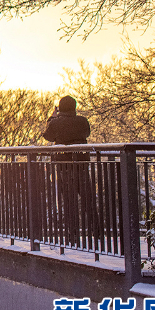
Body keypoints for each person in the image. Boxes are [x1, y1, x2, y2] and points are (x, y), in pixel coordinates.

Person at [43, 96, 94, 246]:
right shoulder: (82, 121)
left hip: (64, 165)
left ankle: (72, 237)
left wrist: (52, 118)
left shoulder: (56, 122)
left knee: (69, 202)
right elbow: (86, 134)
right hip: (82, 164)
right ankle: (96, 232)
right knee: (87, 199)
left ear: (60, 108)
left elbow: (48, 136)